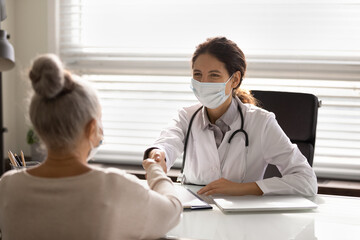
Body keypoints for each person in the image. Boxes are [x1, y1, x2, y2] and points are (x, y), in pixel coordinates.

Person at [0, 54, 182, 240]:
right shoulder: (114, 187)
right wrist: (155, 171)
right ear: (92, 128)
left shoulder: (8, 186)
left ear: (39, 127)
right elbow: (173, 211)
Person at [144, 37, 318, 197]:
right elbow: (167, 143)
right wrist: (159, 154)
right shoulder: (186, 117)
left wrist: (242, 188)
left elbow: (306, 181)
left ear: (234, 80)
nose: (203, 82)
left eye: (214, 75)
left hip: (244, 222)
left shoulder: (261, 122)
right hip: (196, 215)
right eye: (198, 74)